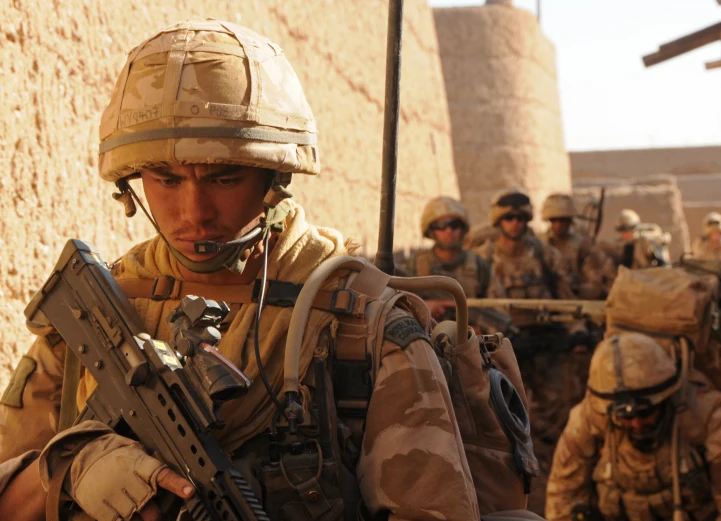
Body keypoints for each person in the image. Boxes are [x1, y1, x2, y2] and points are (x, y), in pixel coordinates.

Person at [0, 20, 484, 521]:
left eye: (225, 177)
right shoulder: (99, 308)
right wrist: (68, 469)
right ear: (131, 181)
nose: (194, 212)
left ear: (274, 177)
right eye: (164, 179)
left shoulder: (363, 325)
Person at [545, 332, 721, 521]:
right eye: (624, 417)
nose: (637, 423)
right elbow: (563, 495)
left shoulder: (704, 418)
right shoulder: (589, 421)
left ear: (664, 399)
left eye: (646, 413)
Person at [474, 188, 575, 301]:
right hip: (499, 317)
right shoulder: (484, 256)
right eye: (509, 218)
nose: (515, 223)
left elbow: (567, 292)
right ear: (499, 221)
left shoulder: (545, 253)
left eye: (520, 218)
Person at [409, 196, 491, 320]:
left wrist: (481, 331)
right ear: (431, 230)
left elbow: (496, 305)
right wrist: (422, 307)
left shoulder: (479, 265)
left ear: (463, 228)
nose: (449, 231)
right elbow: (395, 303)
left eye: (454, 225)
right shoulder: (414, 264)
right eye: (441, 225)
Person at [540, 193, 615, 299]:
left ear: (570, 220)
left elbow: (595, 283)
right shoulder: (541, 244)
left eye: (562, 220)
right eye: (554, 220)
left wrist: (575, 289)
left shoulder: (581, 245)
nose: (558, 224)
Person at [602, 209, 669, 270]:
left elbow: (663, 265)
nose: (623, 235)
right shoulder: (624, 243)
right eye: (621, 231)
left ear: (633, 229)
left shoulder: (646, 241)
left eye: (626, 231)